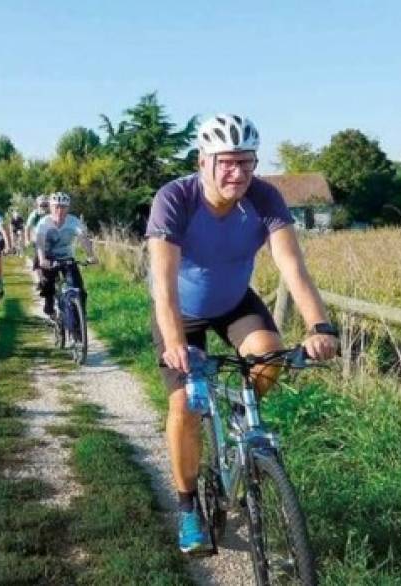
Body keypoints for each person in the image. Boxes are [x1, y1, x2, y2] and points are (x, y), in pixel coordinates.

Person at [145, 114, 339, 554]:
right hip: (180, 310)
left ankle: (239, 418)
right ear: (203, 161)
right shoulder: (175, 198)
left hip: (234, 302)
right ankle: (189, 508)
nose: (238, 173)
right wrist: (176, 344)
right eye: (227, 162)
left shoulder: (264, 197)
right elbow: (163, 282)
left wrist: (320, 327)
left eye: (247, 162)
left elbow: (292, 266)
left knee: (269, 355)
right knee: (184, 405)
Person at [35, 192, 97, 317]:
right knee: (48, 284)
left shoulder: (74, 221)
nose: (60, 210)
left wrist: (91, 255)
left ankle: (80, 320)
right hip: (48, 258)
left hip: (67, 258)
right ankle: (49, 306)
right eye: (56, 207)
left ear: (68, 208)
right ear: (51, 208)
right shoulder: (44, 223)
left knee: (78, 288)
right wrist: (42, 259)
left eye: (63, 207)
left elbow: (83, 238)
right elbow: (40, 243)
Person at [26, 195, 51, 280]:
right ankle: (40, 280)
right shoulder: (34, 214)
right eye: (41, 205)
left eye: (45, 205)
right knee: (37, 261)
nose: (44, 207)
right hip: (38, 240)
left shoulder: (52, 213)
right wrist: (27, 239)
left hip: (51, 239)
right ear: (37, 205)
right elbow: (28, 227)